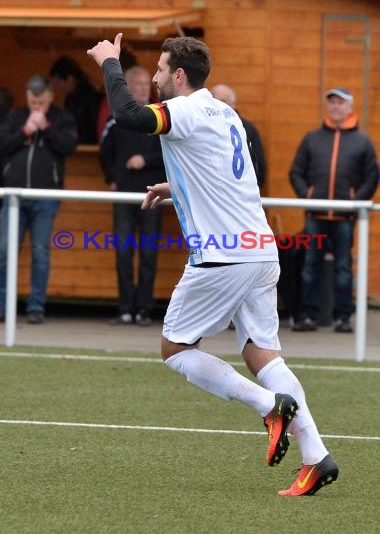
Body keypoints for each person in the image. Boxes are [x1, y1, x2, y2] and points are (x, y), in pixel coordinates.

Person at [87, 33, 339, 496]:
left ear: (178, 75)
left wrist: (110, 63)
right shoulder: (225, 113)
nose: (157, 77)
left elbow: (128, 115)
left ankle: (268, 406)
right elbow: (217, 170)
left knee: (176, 349)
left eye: (161, 70)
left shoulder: (182, 110)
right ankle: (317, 456)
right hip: (259, 248)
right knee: (262, 354)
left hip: (223, 254)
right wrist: (175, 185)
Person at [289, 87, 378, 333]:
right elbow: (296, 172)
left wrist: (354, 202)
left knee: (343, 267)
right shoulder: (312, 138)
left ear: (350, 107)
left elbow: (372, 177)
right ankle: (308, 315)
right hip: (315, 215)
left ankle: (343, 318)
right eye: (332, 102)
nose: (335, 107)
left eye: (340, 103)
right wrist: (307, 196)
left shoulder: (362, 141)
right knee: (310, 265)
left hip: (344, 218)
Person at [0, 75, 78, 324]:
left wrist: (45, 127)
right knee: (3, 250)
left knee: (40, 251)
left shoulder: (62, 117)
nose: (36, 107)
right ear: (26, 96)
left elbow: (69, 146)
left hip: (46, 196)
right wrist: (26, 131)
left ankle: (36, 307)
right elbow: (3, 145)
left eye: (41, 102)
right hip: (13, 196)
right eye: (33, 102)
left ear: (50, 97)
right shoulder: (15, 117)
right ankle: (2, 305)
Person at [99, 66, 166, 326]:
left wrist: (145, 160)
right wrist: (112, 179)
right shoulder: (116, 118)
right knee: (123, 252)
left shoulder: (159, 115)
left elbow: (170, 154)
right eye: (136, 84)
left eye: (144, 84)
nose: (142, 88)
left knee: (149, 254)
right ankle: (125, 308)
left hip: (153, 195)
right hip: (124, 196)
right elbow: (104, 154)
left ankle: (144, 310)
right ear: (126, 87)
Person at [211, 83, 266, 188]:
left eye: (222, 101)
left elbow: (259, 169)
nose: (217, 105)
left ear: (233, 104)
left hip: (239, 192)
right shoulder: (204, 127)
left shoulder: (248, 130)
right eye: (213, 101)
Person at [49, 55, 103, 144]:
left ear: (70, 78)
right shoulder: (70, 98)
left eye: (59, 82)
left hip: (88, 146)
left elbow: (93, 128)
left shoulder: (91, 96)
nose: (59, 87)